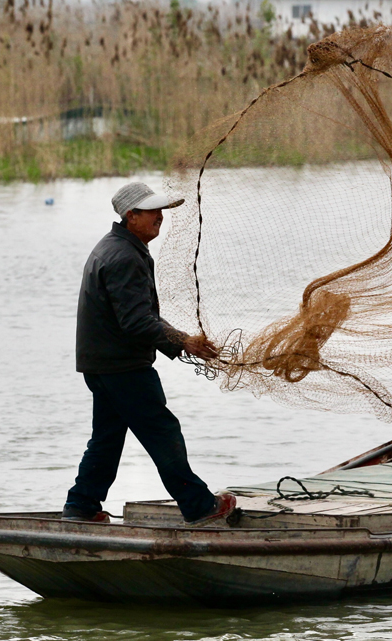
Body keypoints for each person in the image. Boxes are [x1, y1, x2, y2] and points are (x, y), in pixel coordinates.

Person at [62, 182, 237, 526]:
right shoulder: (125, 256)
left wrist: (180, 339)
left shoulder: (115, 247)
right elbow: (136, 321)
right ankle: (200, 506)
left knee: (107, 438)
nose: (160, 217)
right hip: (123, 367)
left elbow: (140, 316)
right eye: (153, 211)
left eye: (161, 211)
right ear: (132, 216)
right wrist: (184, 341)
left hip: (102, 365)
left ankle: (80, 507)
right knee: (162, 432)